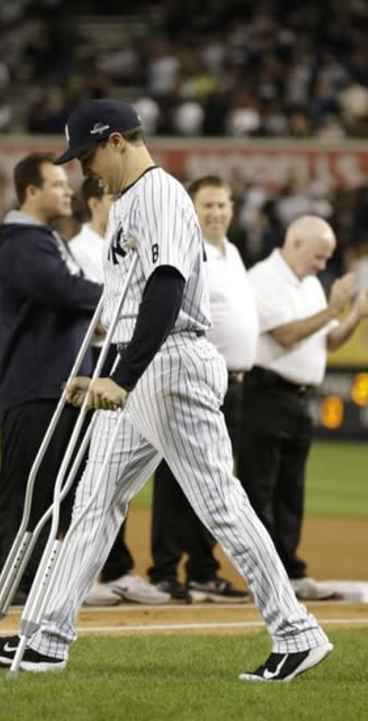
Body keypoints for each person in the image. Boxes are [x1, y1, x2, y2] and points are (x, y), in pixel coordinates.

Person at [0, 99, 333, 682]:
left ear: (115, 141)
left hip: (167, 365)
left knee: (218, 502)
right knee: (91, 502)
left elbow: (165, 286)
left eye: (86, 154)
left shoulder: (158, 194)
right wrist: (104, 367)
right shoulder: (130, 200)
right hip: (137, 363)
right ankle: (44, 639)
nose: (84, 167)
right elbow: (130, 301)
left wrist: (123, 374)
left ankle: (296, 631)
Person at [0, 153, 102, 604]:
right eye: (58, 185)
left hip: (60, 385)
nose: (68, 192)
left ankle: (32, 580)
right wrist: (117, 297)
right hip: (36, 386)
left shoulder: (44, 239)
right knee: (24, 489)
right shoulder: (21, 242)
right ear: (31, 191)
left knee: (52, 493)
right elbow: (61, 289)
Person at [238, 214, 368, 601]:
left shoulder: (309, 284)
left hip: (298, 399)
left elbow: (327, 343)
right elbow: (285, 335)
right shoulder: (263, 279)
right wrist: (333, 310)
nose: (323, 265)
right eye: (319, 256)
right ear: (295, 244)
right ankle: (262, 576)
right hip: (265, 393)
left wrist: (356, 314)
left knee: (290, 490)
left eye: (327, 257)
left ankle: (289, 571)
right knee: (259, 488)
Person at [148, 175, 258, 603]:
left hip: (233, 383)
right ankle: (163, 569)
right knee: (176, 478)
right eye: (208, 205)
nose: (216, 212)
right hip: (194, 380)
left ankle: (202, 568)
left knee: (214, 480)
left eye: (222, 204)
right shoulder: (189, 251)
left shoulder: (231, 254)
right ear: (192, 210)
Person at [70, 177, 169, 606]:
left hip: (126, 362)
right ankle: (80, 573)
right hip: (97, 363)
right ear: (94, 202)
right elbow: (93, 312)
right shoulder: (81, 249)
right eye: (113, 198)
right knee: (88, 474)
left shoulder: (126, 239)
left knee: (113, 475)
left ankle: (115, 569)